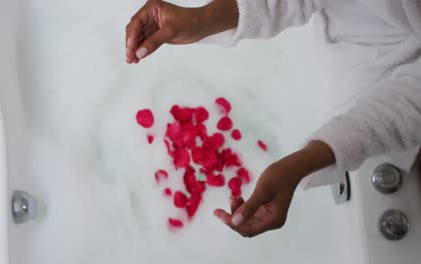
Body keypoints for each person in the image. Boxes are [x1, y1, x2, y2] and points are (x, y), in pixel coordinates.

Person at [125, 0, 421, 237]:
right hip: (349, 46)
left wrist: (302, 163)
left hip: (391, 102)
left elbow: (411, 104)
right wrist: (199, 19)